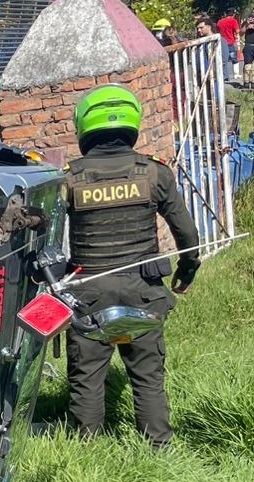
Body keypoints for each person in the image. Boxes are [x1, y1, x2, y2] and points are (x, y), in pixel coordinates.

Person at [63, 85, 200, 448]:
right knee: (148, 377)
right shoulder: (155, 174)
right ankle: (159, 448)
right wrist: (188, 270)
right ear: (132, 123)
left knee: (87, 378)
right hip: (143, 290)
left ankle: (84, 454)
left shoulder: (69, 178)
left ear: (84, 126)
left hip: (87, 293)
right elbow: (187, 232)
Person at [217, 13, 242, 81]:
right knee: (234, 59)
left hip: (222, 42)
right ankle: (236, 74)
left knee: (223, 59)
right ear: (233, 14)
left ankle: (224, 75)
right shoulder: (233, 21)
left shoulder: (220, 21)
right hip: (231, 42)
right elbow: (237, 31)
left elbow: (217, 31)